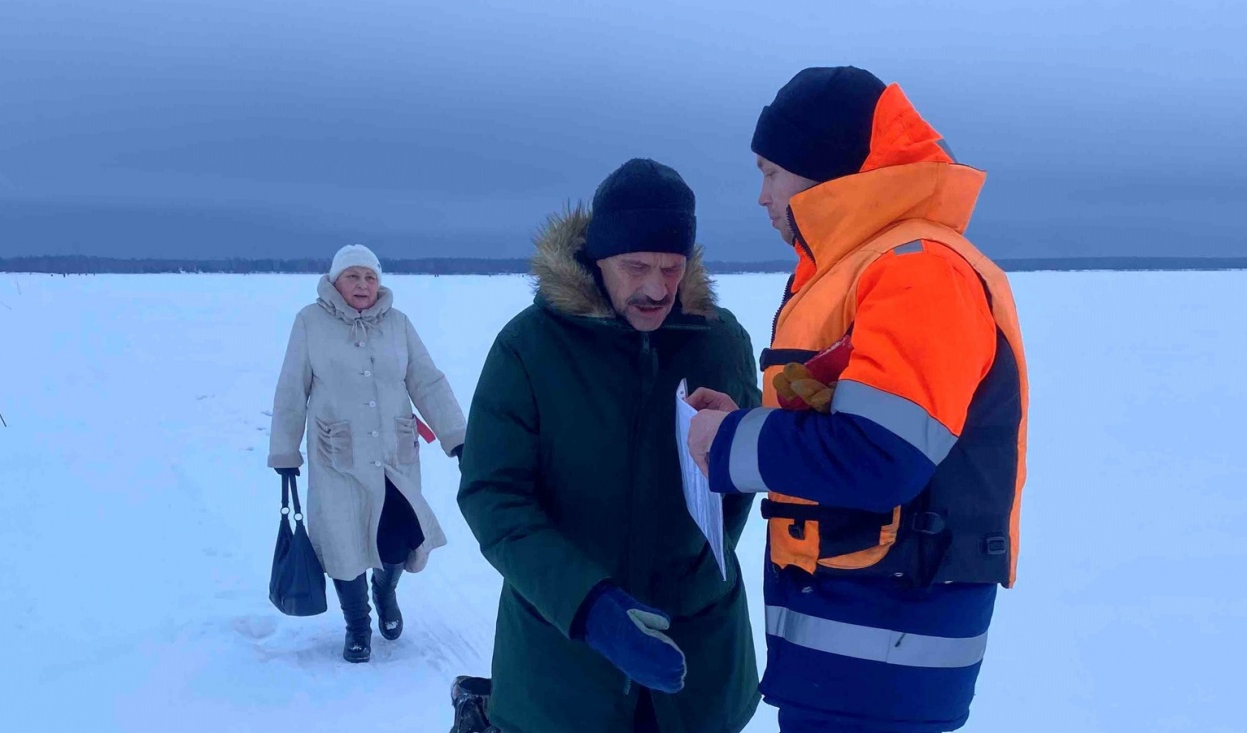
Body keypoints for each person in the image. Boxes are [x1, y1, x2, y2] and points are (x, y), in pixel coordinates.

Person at [687, 67, 1030, 732]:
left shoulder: (918, 269)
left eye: (770, 172)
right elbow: (842, 420)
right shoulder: (861, 269)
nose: (760, 196)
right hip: (850, 652)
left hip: (888, 653)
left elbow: (882, 455)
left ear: (821, 169)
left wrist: (728, 447)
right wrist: (742, 426)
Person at [457, 159, 761, 733]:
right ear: (597, 262)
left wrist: (740, 438)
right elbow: (491, 496)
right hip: (562, 665)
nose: (656, 288)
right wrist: (587, 605)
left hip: (697, 660)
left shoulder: (721, 342)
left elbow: (738, 490)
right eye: (636, 266)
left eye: (672, 268)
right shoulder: (529, 347)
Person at [268, 244, 466, 663]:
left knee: (397, 537)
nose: (363, 285)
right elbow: (291, 390)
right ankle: (357, 624)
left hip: (395, 453)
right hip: (336, 455)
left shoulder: (398, 323)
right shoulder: (310, 322)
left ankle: (386, 592)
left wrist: (456, 437)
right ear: (335, 281)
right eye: (353, 276)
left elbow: (427, 381)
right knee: (343, 542)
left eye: (370, 277)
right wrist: (285, 453)